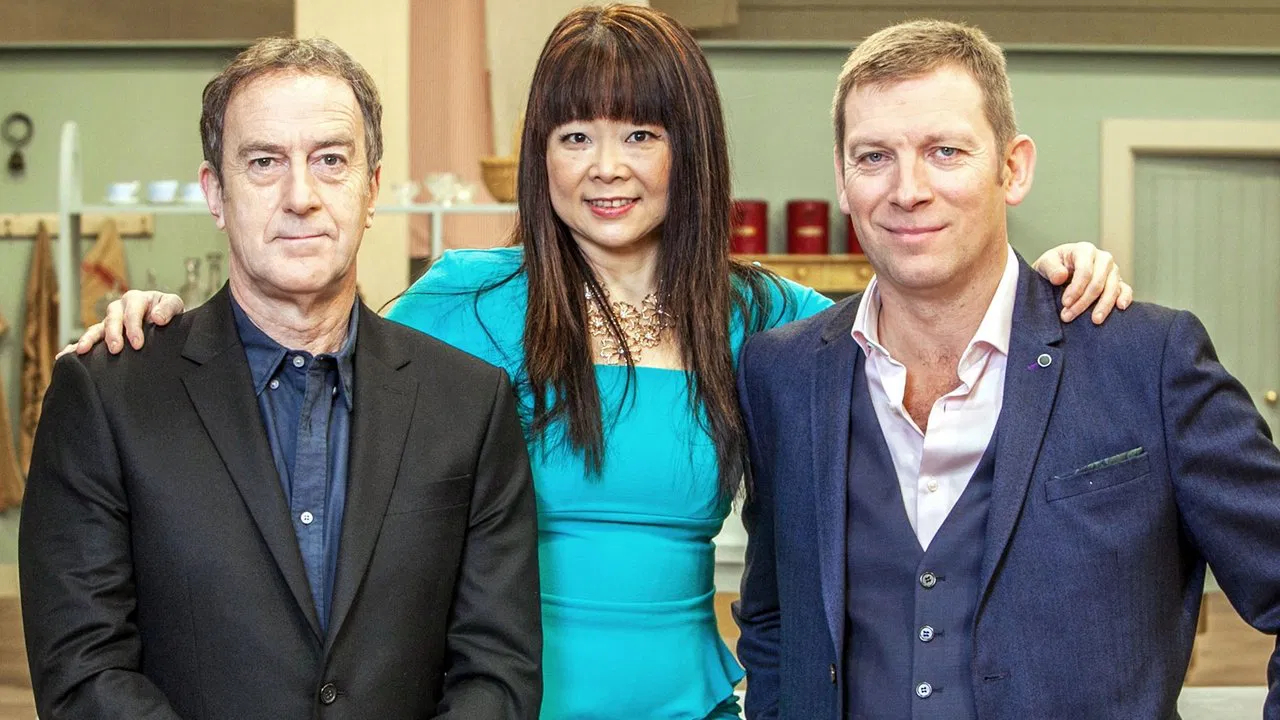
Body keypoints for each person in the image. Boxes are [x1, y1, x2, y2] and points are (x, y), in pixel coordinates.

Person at [69, 7, 1132, 719]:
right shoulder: (464, 302)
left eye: (640, 135)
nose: (605, 168)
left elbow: (934, 319)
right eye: (574, 136)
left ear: (688, 148)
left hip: (694, 705)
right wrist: (164, 326)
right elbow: (303, 343)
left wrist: (1053, 281)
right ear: (539, 153)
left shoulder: (761, 317)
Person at [733, 17, 1280, 720]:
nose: (908, 189)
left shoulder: (1147, 359)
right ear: (842, 178)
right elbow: (775, 620)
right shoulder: (782, 374)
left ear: (1013, 168)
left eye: (945, 151)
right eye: (874, 157)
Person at [20, 37, 541, 720]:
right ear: (216, 193)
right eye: (264, 162)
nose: (301, 196)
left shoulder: (469, 404)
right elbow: (82, 671)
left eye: (330, 160)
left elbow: (497, 672)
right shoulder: (108, 395)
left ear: (371, 189)